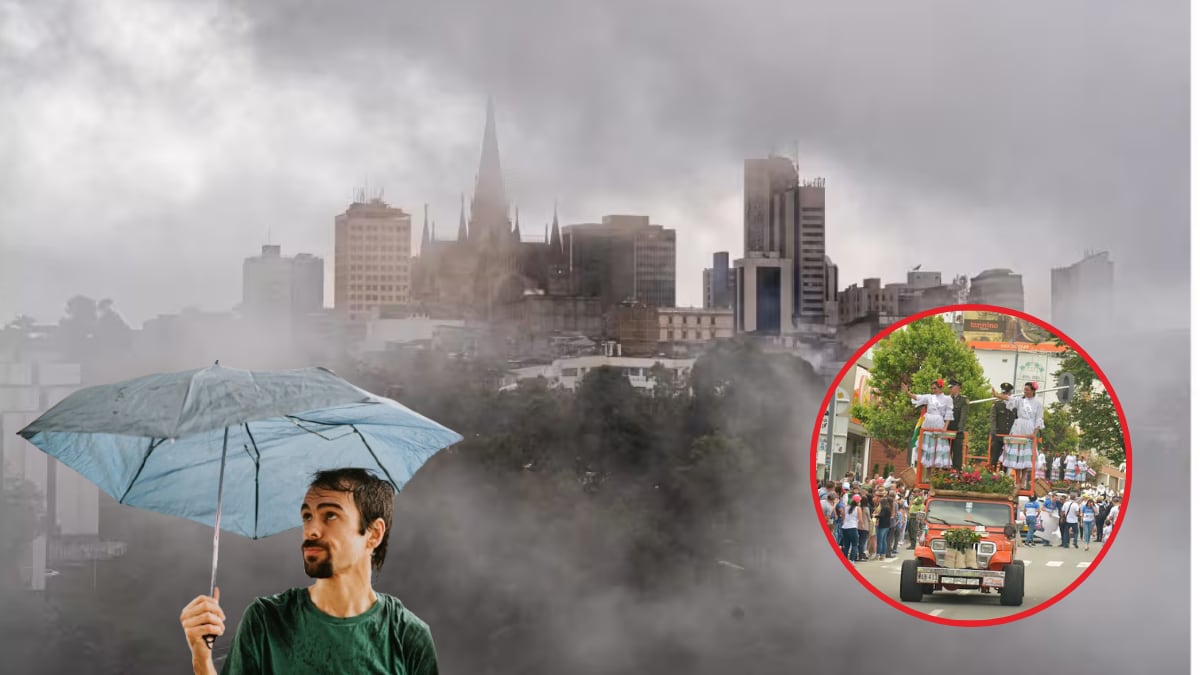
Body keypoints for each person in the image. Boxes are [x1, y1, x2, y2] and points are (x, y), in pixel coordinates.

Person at [179, 468, 439, 675]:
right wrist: (201, 659)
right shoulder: (266, 620)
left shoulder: (407, 635)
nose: (312, 530)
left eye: (330, 516)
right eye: (307, 516)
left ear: (373, 534)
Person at [994, 382, 1044, 489]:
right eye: (1024, 389)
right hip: (1018, 427)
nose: (1025, 391)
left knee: (1025, 455)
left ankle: (1023, 479)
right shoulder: (1020, 400)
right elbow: (1008, 398)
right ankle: (1017, 479)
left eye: (1027, 390)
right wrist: (996, 395)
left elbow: (1039, 419)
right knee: (1017, 453)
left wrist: (1034, 433)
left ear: (1032, 391)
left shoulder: (1038, 404)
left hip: (1029, 428)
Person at [902, 380, 955, 471]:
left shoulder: (947, 399)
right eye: (932, 388)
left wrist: (945, 428)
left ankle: (936, 477)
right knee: (928, 450)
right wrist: (907, 392)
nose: (933, 390)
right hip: (928, 424)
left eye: (935, 388)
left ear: (940, 388)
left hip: (938, 424)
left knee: (938, 449)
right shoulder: (929, 397)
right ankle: (929, 476)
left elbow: (948, 414)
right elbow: (917, 397)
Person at [989, 383, 1018, 467]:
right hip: (998, 435)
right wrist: (993, 430)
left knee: (1006, 460)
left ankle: (1003, 476)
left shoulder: (1014, 405)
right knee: (994, 457)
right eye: (1003, 393)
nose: (1004, 395)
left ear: (1010, 394)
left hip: (1009, 435)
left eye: (1006, 393)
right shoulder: (997, 404)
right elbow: (993, 418)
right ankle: (991, 474)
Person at [946, 379, 968, 469]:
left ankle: (956, 473)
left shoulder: (963, 400)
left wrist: (960, 429)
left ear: (957, 387)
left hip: (957, 431)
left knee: (957, 454)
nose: (950, 389)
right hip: (946, 430)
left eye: (952, 387)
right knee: (946, 453)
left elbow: (963, 416)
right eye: (949, 387)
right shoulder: (947, 399)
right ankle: (943, 472)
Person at [840, 494, 863, 562]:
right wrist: (861, 526)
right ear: (858, 501)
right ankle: (852, 560)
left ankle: (844, 560)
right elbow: (860, 519)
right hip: (853, 527)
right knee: (854, 544)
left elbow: (843, 517)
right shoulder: (858, 508)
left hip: (845, 527)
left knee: (846, 545)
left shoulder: (846, 507)